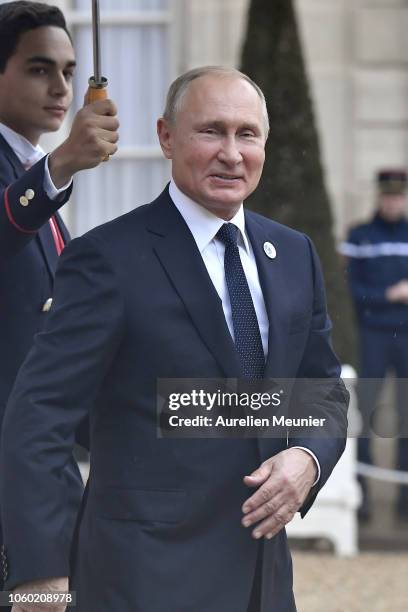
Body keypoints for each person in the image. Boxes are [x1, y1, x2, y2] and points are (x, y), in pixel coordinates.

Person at [1, 66, 347, 612]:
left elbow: (321, 390)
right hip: (142, 578)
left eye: (247, 134)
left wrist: (307, 456)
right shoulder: (107, 259)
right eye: (211, 131)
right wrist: (41, 574)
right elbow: (37, 416)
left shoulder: (294, 254)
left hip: (263, 582)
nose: (231, 153)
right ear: (166, 136)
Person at [0, 0, 119, 598]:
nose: (62, 87)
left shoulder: (33, 173)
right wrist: (64, 163)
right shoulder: (39, 178)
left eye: (70, 72)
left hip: (43, 476)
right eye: (39, 68)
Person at [342, 169, 408, 521]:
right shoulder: (360, 236)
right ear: (379, 197)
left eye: (398, 196)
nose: (393, 202)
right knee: (366, 416)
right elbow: (350, 290)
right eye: (388, 196)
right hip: (374, 336)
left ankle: (405, 500)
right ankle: (362, 497)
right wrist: (389, 294)